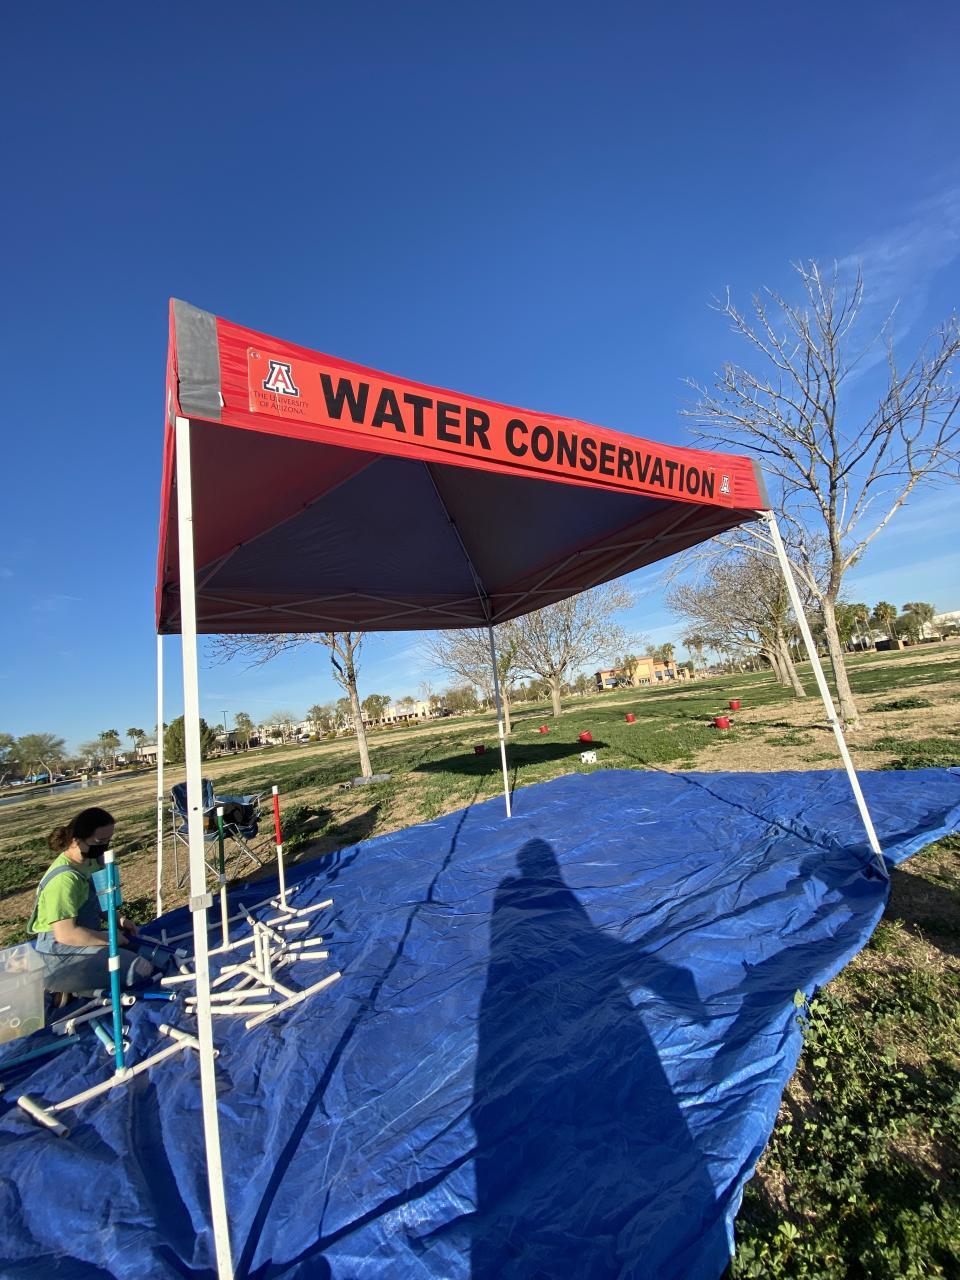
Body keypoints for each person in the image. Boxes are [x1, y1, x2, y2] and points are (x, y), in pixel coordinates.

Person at [28, 806, 157, 994]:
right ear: (76, 840)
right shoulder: (64, 880)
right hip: (61, 954)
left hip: (87, 937)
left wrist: (120, 921)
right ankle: (67, 989)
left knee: (154, 951)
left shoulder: (92, 862)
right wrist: (110, 939)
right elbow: (66, 934)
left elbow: (101, 903)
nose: (104, 846)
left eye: (108, 840)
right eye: (100, 841)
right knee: (138, 969)